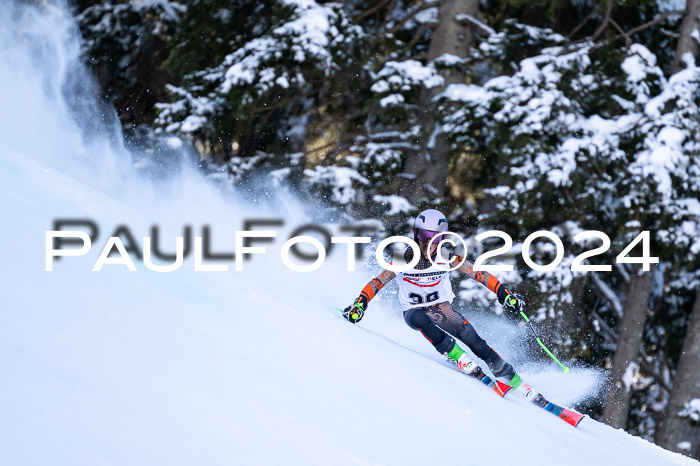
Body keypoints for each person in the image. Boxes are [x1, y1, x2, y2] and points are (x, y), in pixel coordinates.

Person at [342, 208, 536, 399]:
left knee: (475, 342)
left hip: (440, 309)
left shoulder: (446, 258)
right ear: (417, 234)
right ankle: (454, 353)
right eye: (425, 236)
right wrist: (360, 304)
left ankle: (513, 380)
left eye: (435, 238)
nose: (428, 243)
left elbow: (479, 274)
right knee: (418, 317)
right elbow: (378, 282)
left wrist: (504, 294)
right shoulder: (403, 258)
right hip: (413, 311)